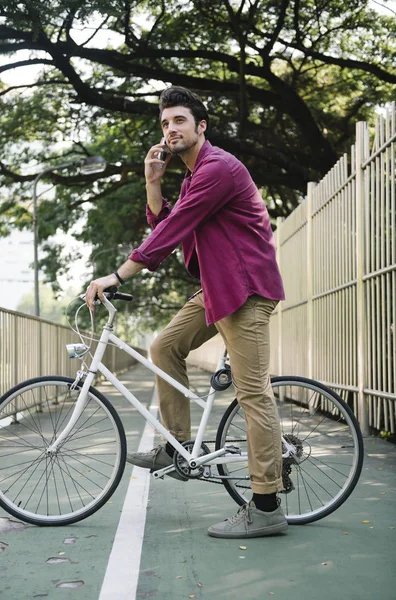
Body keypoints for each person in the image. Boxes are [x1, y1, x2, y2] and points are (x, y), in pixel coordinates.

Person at [85, 86, 287, 539]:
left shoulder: (217, 169)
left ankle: (268, 505)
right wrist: (153, 182)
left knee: (253, 394)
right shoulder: (195, 177)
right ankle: (177, 449)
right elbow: (168, 226)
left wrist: (117, 276)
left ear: (201, 127)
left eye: (179, 120)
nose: (170, 129)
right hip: (219, 289)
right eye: (164, 123)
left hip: (247, 290)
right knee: (164, 345)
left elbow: (172, 230)